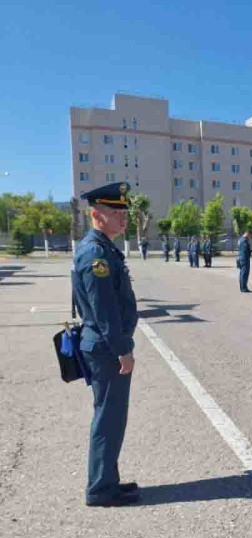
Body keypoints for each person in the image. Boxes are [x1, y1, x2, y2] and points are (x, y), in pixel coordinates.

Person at [72, 182, 139, 507]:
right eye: (117, 212)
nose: (124, 217)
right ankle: (100, 489)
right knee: (108, 418)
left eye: (125, 211)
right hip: (106, 349)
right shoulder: (95, 253)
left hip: (102, 346)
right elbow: (104, 311)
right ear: (97, 215)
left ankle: (106, 480)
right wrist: (122, 350)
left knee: (111, 417)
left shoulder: (101, 248)